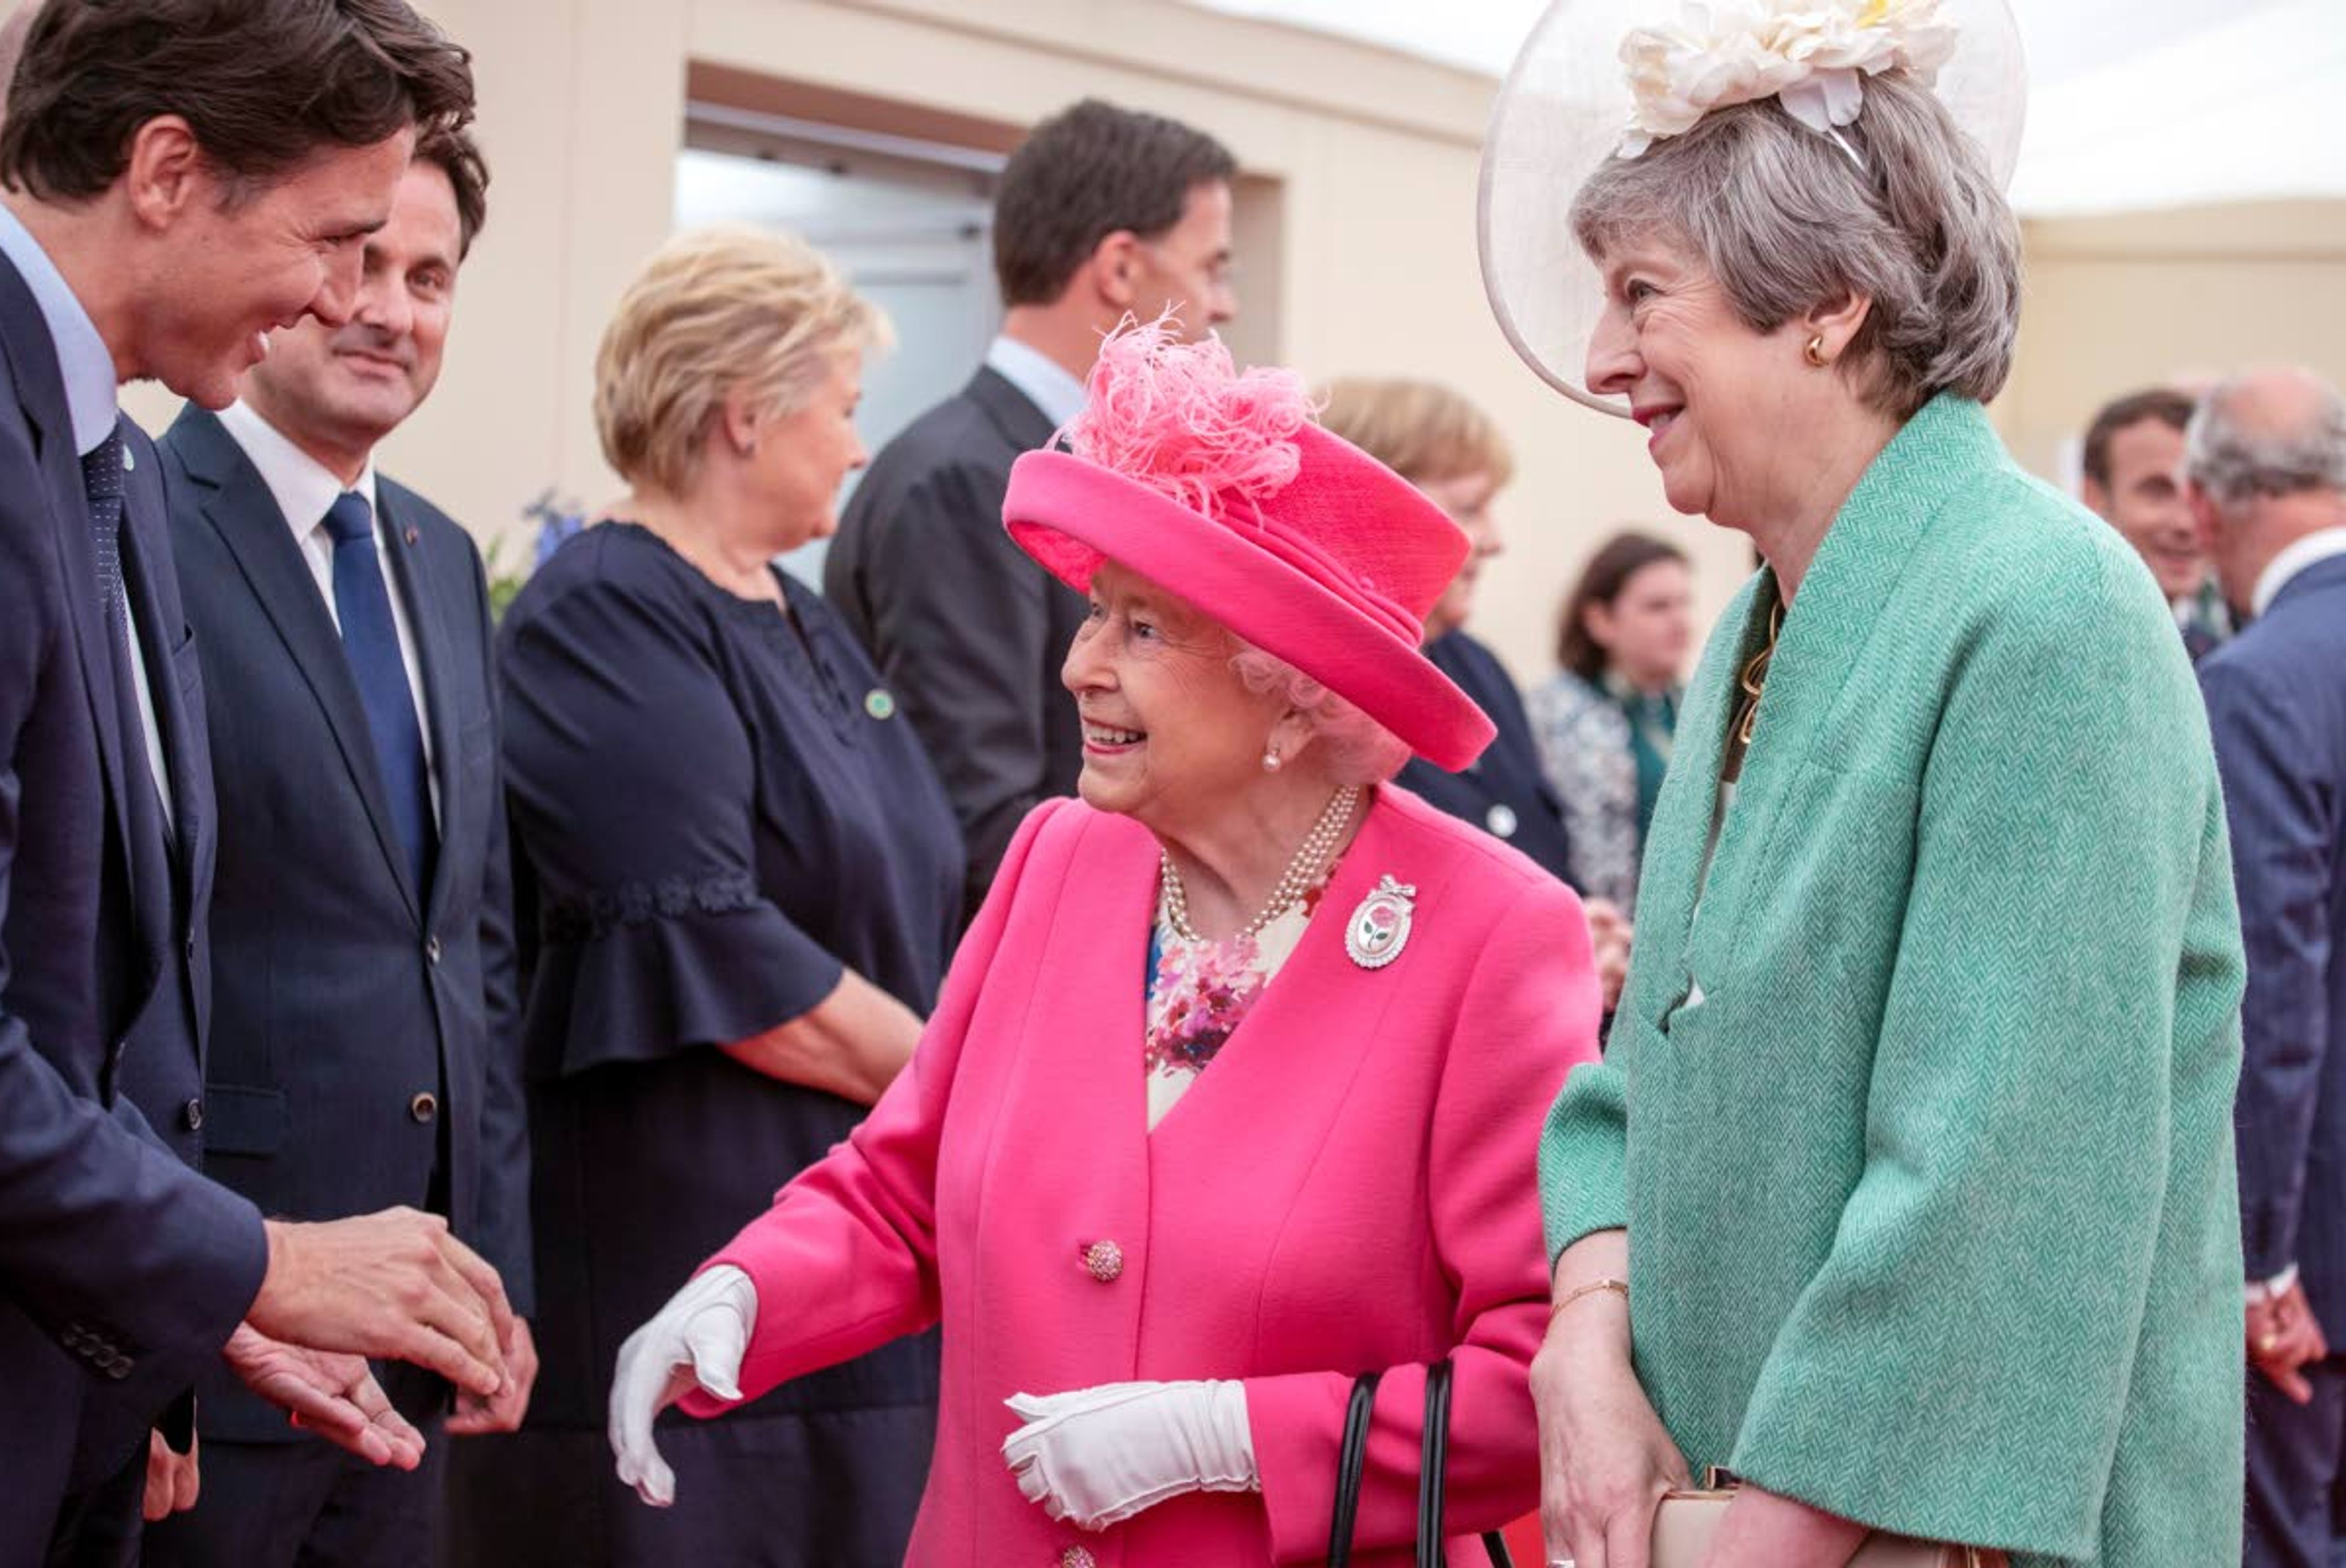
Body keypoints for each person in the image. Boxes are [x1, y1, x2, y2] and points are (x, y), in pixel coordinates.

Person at [606, 322, 1601, 1567]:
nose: (1078, 666)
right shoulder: (1058, 858)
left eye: (1143, 630)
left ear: (1293, 684)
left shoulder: (1494, 936)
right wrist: (748, 1288)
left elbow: (1544, 1382)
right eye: (1093, 615)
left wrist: (1228, 1435)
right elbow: (904, 1190)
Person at [1476, 2, 2247, 1564]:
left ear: (1825, 299)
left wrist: (1759, 1528)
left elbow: (2000, 1166)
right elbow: (1645, 1070)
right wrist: (1585, 1324)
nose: (1599, 355)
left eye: (1639, 293)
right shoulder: (1770, 615)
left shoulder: (2045, 610)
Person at [0, 2, 515, 1559]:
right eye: (336, 238)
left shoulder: (109, 462)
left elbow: (98, 995)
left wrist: (180, 1311)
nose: (336, 298)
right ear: (167, 170)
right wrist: (250, 1257)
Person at [448, 227, 965, 1567]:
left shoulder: (798, 611)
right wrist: (965, 1093)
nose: (860, 447)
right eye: (844, 409)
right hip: (685, 1246)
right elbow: (713, 945)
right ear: (746, 411)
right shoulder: (605, 613)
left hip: (843, 1254)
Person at [143, 122, 535, 1568]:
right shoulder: (137, 515)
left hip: (420, 1342)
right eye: (362, 259)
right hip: (224, 1318)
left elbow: (470, 940)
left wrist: (497, 1275)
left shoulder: (440, 558)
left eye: (430, 277)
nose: (392, 308)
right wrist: (152, 1331)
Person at [825, 97, 1238, 921]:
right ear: (1120, 269)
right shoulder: (966, 482)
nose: (1222, 305)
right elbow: (982, 818)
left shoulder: (1059, 464)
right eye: (1212, 267)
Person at [1318, 377, 1630, 1008]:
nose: (1493, 540)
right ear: (1376, 499)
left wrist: (1570, 926)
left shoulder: (1479, 667)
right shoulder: (1316, 694)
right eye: (1469, 507)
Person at [2186, 368, 2346, 1568]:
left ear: (2205, 507)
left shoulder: (2259, 684)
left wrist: (2256, 1254)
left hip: (2315, 1272)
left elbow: (2269, 996)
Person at [1526, 532, 1692, 914]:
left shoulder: (1697, 704)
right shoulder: (1555, 714)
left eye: (1684, 603)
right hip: (1603, 936)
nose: (1680, 621)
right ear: (1601, 621)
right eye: (1657, 607)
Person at [2083, 386, 2228, 659]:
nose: (2186, 524)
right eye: (2157, 491)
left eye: (2198, 494)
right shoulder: (2063, 648)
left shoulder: (2216, 661)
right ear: (2095, 498)